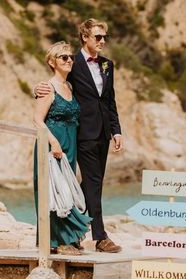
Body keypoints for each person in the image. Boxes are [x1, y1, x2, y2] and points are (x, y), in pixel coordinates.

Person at [35, 18, 123, 253]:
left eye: (105, 37)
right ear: (85, 37)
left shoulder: (107, 65)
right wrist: (37, 89)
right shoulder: (72, 63)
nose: (102, 41)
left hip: (104, 133)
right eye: (98, 37)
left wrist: (116, 130)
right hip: (81, 133)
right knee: (93, 182)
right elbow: (56, 81)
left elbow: (109, 99)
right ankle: (100, 237)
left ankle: (74, 230)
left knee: (93, 183)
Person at [33, 41, 92, 255]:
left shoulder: (69, 86)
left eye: (70, 57)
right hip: (53, 144)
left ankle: (70, 237)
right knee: (55, 191)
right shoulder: (47, 87)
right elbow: (37, 119)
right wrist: (54, 142)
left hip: (71, 143)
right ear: (52, 62)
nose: (69, 60)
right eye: (63, 57)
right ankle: (59, 241)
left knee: (67, 190)